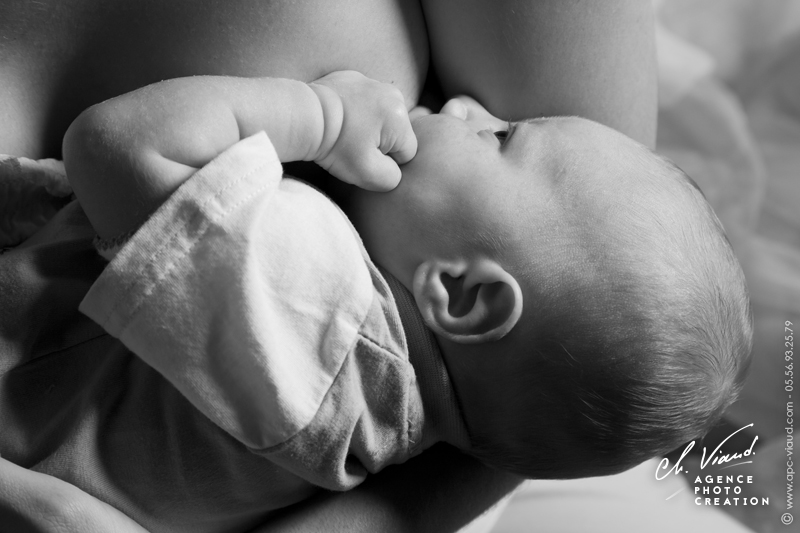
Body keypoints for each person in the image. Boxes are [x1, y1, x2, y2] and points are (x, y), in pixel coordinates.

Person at [0, 1, 662, 531]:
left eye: (501, 137)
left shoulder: (324, 308)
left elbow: (111, 145)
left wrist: (321, 116)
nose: (469, 111)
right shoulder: (373, 426)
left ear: (460, 292)